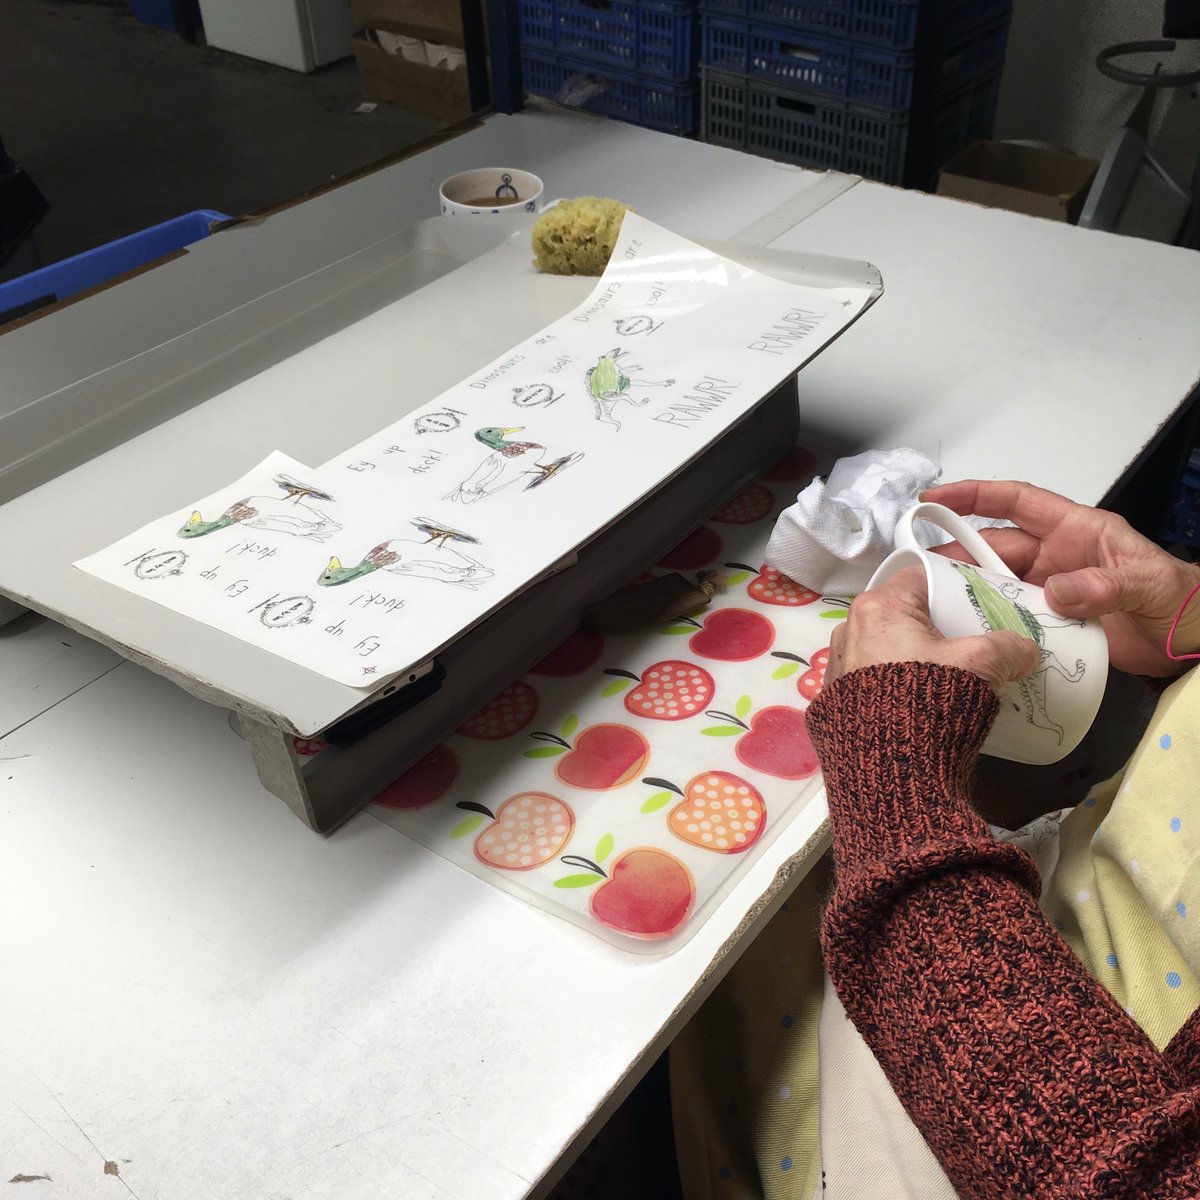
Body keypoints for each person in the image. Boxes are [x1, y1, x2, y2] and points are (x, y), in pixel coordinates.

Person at [671, 480, 1200, 1200]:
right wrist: (1188, 624)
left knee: (722, 943)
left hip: (1009, 1074)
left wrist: (893, 773)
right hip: (1074, 880)